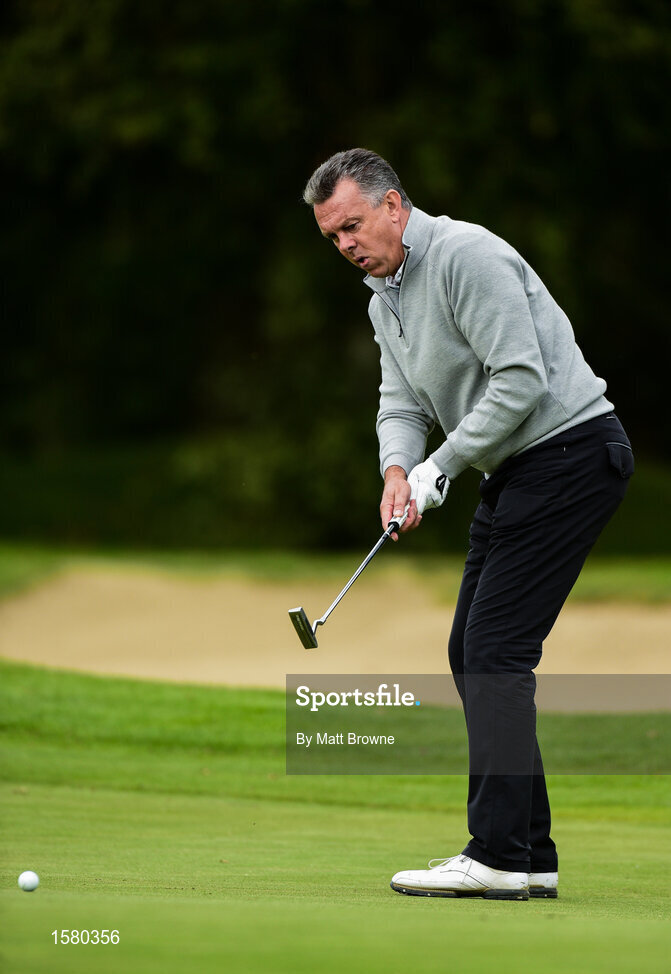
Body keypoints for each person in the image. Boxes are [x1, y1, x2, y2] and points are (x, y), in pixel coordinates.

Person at [302, 148, 633, 901]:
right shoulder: (382, 299)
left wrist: (442, 466)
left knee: (494, 650)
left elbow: (521, 378)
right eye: (332, 236)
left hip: (571, 452)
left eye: (352, 225)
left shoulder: (465, 255)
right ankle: (529, 854)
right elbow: (399, 401)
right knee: (471, 650)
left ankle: (497, 854)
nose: (345, 245)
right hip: (515, 468)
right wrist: (398, 470)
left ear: (393, 205)